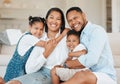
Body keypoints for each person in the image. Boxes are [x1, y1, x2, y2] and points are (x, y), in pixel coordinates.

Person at [7, 7, 69, 84]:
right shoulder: (40, 40)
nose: (54, 21)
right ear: (46, 21)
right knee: (14, 82)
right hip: (41, 73)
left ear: (62, 22)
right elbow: (29, 69)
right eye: (51, 17)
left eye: (58, 19)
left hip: (57, 73)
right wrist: (45, 54)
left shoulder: (68, 37)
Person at [61, 7, 117, 84]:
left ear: (83, 15)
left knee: (81, 75)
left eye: (75, 18)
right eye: (70, 21)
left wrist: (66, 65)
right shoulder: (78, 36)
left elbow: (92, 59)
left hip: (105, 76)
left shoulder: (96, 31)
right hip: (87, 73)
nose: (73, 22)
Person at [4, 16, 46, 82]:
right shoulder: (28, 37)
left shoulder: (34, 38)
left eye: (41, 29)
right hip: (15, 69)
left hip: (22, 70)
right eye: (36, 28)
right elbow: (45, 44)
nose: (38, 31)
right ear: (30, 27)